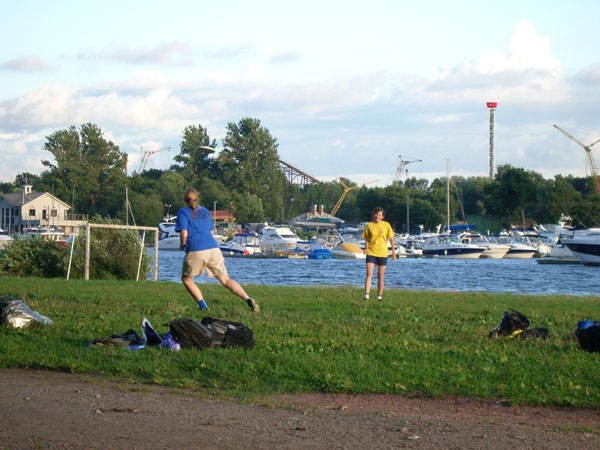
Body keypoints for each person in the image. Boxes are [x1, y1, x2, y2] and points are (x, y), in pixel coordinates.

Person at [175, 187, 259, 312]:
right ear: (197, 198)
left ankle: (203, 307)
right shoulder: (205, 211)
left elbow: (184, 233)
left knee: (187, 279)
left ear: (185, 199)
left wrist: (183, 244)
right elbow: (212, 232)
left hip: (197, 249)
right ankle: (247, 298)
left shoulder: (183, 212)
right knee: (225, 280)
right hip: (213, 248)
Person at [362, 206, 396, 301]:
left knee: (380, 276)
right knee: (369, 273)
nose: (377, 216)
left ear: (382, 216)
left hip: (382, 253)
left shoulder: (386, 225)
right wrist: (366, 249)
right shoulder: (369, 225)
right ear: (374, 215)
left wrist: (393, 252)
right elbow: (367, 239)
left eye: (379, 215)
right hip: (371, 252)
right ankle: (366, 295)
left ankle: (379, 296)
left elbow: (391, 240)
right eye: (376, 214)